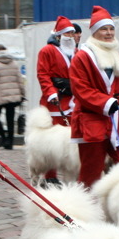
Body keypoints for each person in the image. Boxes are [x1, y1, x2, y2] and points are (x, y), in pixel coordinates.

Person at [69, 5, 119, 188]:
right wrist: (106, 102)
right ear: (94, 32)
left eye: (111, 29)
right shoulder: (82, 57)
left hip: (118, 119)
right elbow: (80, 89)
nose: (108, 33)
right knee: (91, 171)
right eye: (104, 29)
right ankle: (83, 208)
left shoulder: (117, 54)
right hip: (91, 119)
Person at [36, 15, 77, 181]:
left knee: (71, 139)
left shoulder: (77, 52)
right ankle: (50, 175)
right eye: (67, 33)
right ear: (58, 35)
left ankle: (71, 173)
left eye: (72, 33)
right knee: (52, 140)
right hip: (56, 100)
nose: (70, 36)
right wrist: (51, 92)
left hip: (73, 100)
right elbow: (43, 74)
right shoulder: (47, 51)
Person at [0, 44, 24, 150]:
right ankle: (9, 142)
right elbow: (20, 80)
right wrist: (22, 94)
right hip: (13, 96)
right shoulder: (13, 63)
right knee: (10, 119)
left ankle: (3, 137)